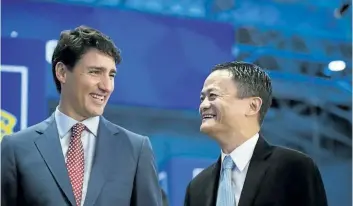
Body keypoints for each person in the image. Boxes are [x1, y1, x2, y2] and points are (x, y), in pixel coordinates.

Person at [1, 25, 162, 206]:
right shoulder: (16, 148)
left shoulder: (136, 150)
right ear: (62, 72)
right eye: (95, 72)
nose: (107, 86)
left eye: (111, 75)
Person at [184, 61, 328, 206]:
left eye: (213, 95)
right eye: (202, 98)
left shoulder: (293, 168)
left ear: (252, 106)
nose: (203, 105)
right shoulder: (197, 187)